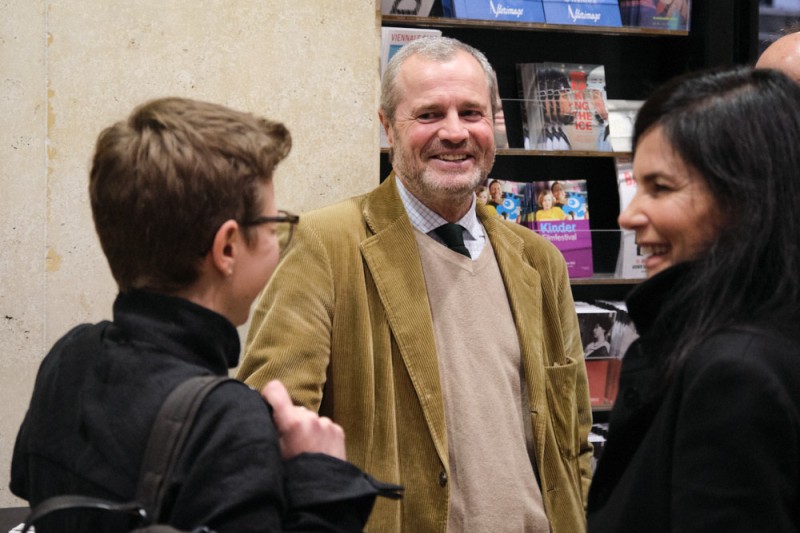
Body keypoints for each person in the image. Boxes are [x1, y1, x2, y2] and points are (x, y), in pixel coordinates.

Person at [238, 36, 593, 532]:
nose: (454, 132)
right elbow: (268, 428)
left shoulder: (540, 261)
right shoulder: (324, 245)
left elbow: (574, 441)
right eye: (428, 114)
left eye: (471, 113)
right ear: (387, 126)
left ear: (494, 121)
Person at [10, 97, 398, 532]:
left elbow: (30, 483)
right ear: (227, 248)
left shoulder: (69, 356)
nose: (278, 242)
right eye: (272, 227)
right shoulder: (229, 422)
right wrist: (324, 480)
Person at [586, 66, 800, 532]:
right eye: (637, 186)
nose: (628, 216)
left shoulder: (735, 375)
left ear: (745, 199)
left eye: (661, 188)